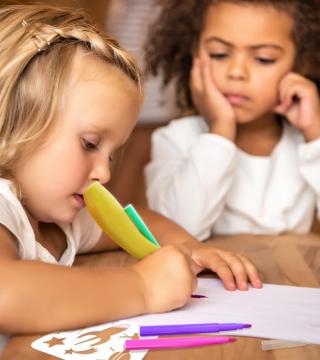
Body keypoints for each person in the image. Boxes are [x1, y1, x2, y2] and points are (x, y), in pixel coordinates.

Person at [0, 4, 262, 352]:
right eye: (90, 144)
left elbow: (132, 219)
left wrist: (188, 248)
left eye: (111, 154)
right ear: (19, 121)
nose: (105, 172)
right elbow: (6, 294)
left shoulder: (55, 219)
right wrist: (142, 287)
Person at [144, 0, 320, 244]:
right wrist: (220, 132)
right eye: (219, 54)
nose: (236, 71)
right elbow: (177, 233)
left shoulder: (313, 146)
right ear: (194, 55)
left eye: (263, 59)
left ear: (302, 64)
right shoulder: (175, 140)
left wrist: (317, 134)